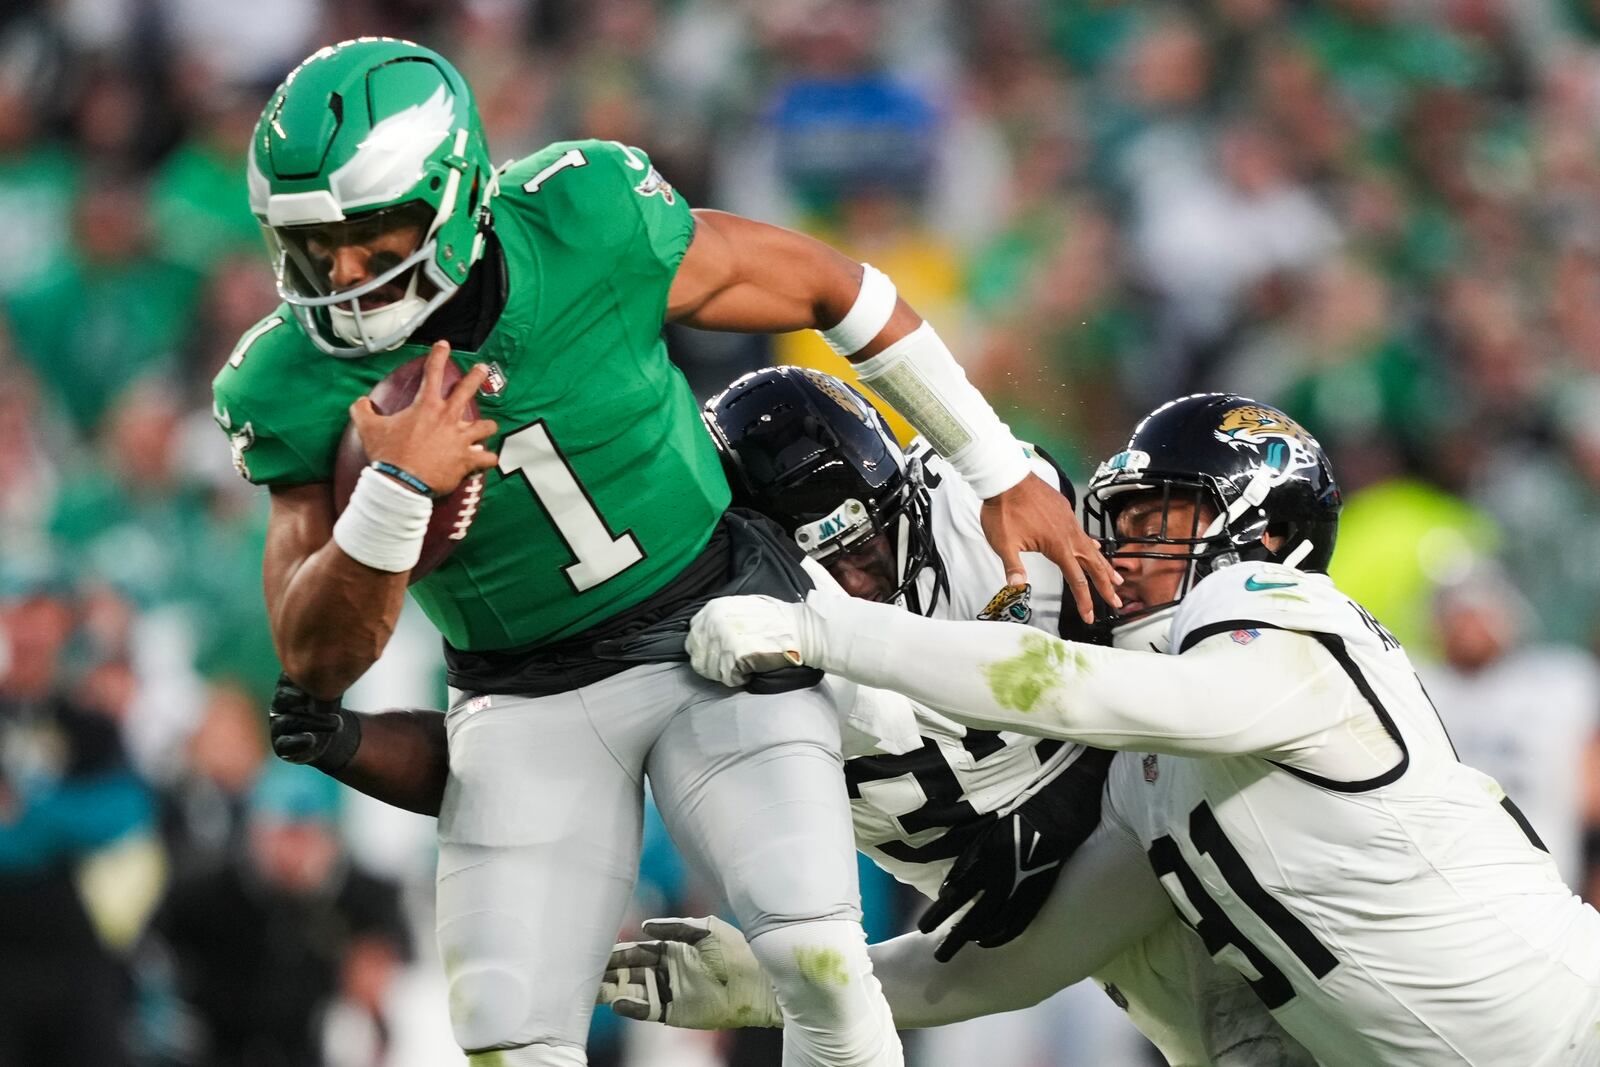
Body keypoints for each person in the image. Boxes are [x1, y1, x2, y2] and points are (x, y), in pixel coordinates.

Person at [212, 37, 1116, 1067]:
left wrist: (996, 466)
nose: (342, 275)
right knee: (509, 1035)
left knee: (819, 961)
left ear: (453, 194)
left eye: (372, 238)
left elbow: (832, 286)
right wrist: (395, 491)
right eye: (314, 246)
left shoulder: (581, 217)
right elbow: (314, 658)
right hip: (522, 693)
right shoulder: (283, 381)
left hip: (720, 621)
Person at [273, 369, 1310, 1065]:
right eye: (825, 563)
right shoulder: (713, 621)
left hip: (1168, 855)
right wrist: (351, 738)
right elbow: (531, 757)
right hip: (1006, 925)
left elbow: (1167, 668)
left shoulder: (997, 508)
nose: (855, 575)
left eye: (863, 541)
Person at [682, 393, 1600, 1066]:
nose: (1122, 549)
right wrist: (781, 987)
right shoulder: (1148, 780)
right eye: (1119, 518)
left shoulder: (1276, 613)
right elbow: (1011, 965)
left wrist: (830, 628)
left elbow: (1090, 692)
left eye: (1160, 519)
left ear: (1270, 536)